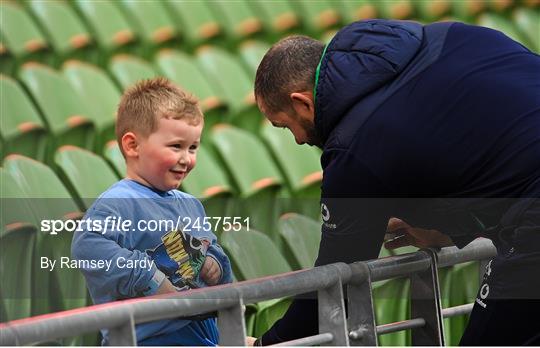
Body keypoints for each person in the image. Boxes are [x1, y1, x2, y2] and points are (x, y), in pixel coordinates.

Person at [252, 19, 540, 345]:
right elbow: (486, 145)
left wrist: (268, 342)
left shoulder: (353, 147)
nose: (300, 140)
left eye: (286, 127)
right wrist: (446, 228)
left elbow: (336, 278)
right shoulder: (450, 34)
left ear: (302, 102)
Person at [72, 78, 232, 346]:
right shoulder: (118, 202)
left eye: (193, 147)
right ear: (133, 146)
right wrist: (150, 277)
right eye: (175, 146)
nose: (187, 158)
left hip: (202, 334)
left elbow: (211, 247)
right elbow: (88, 247)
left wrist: (214, 263)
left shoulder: (191, 205)